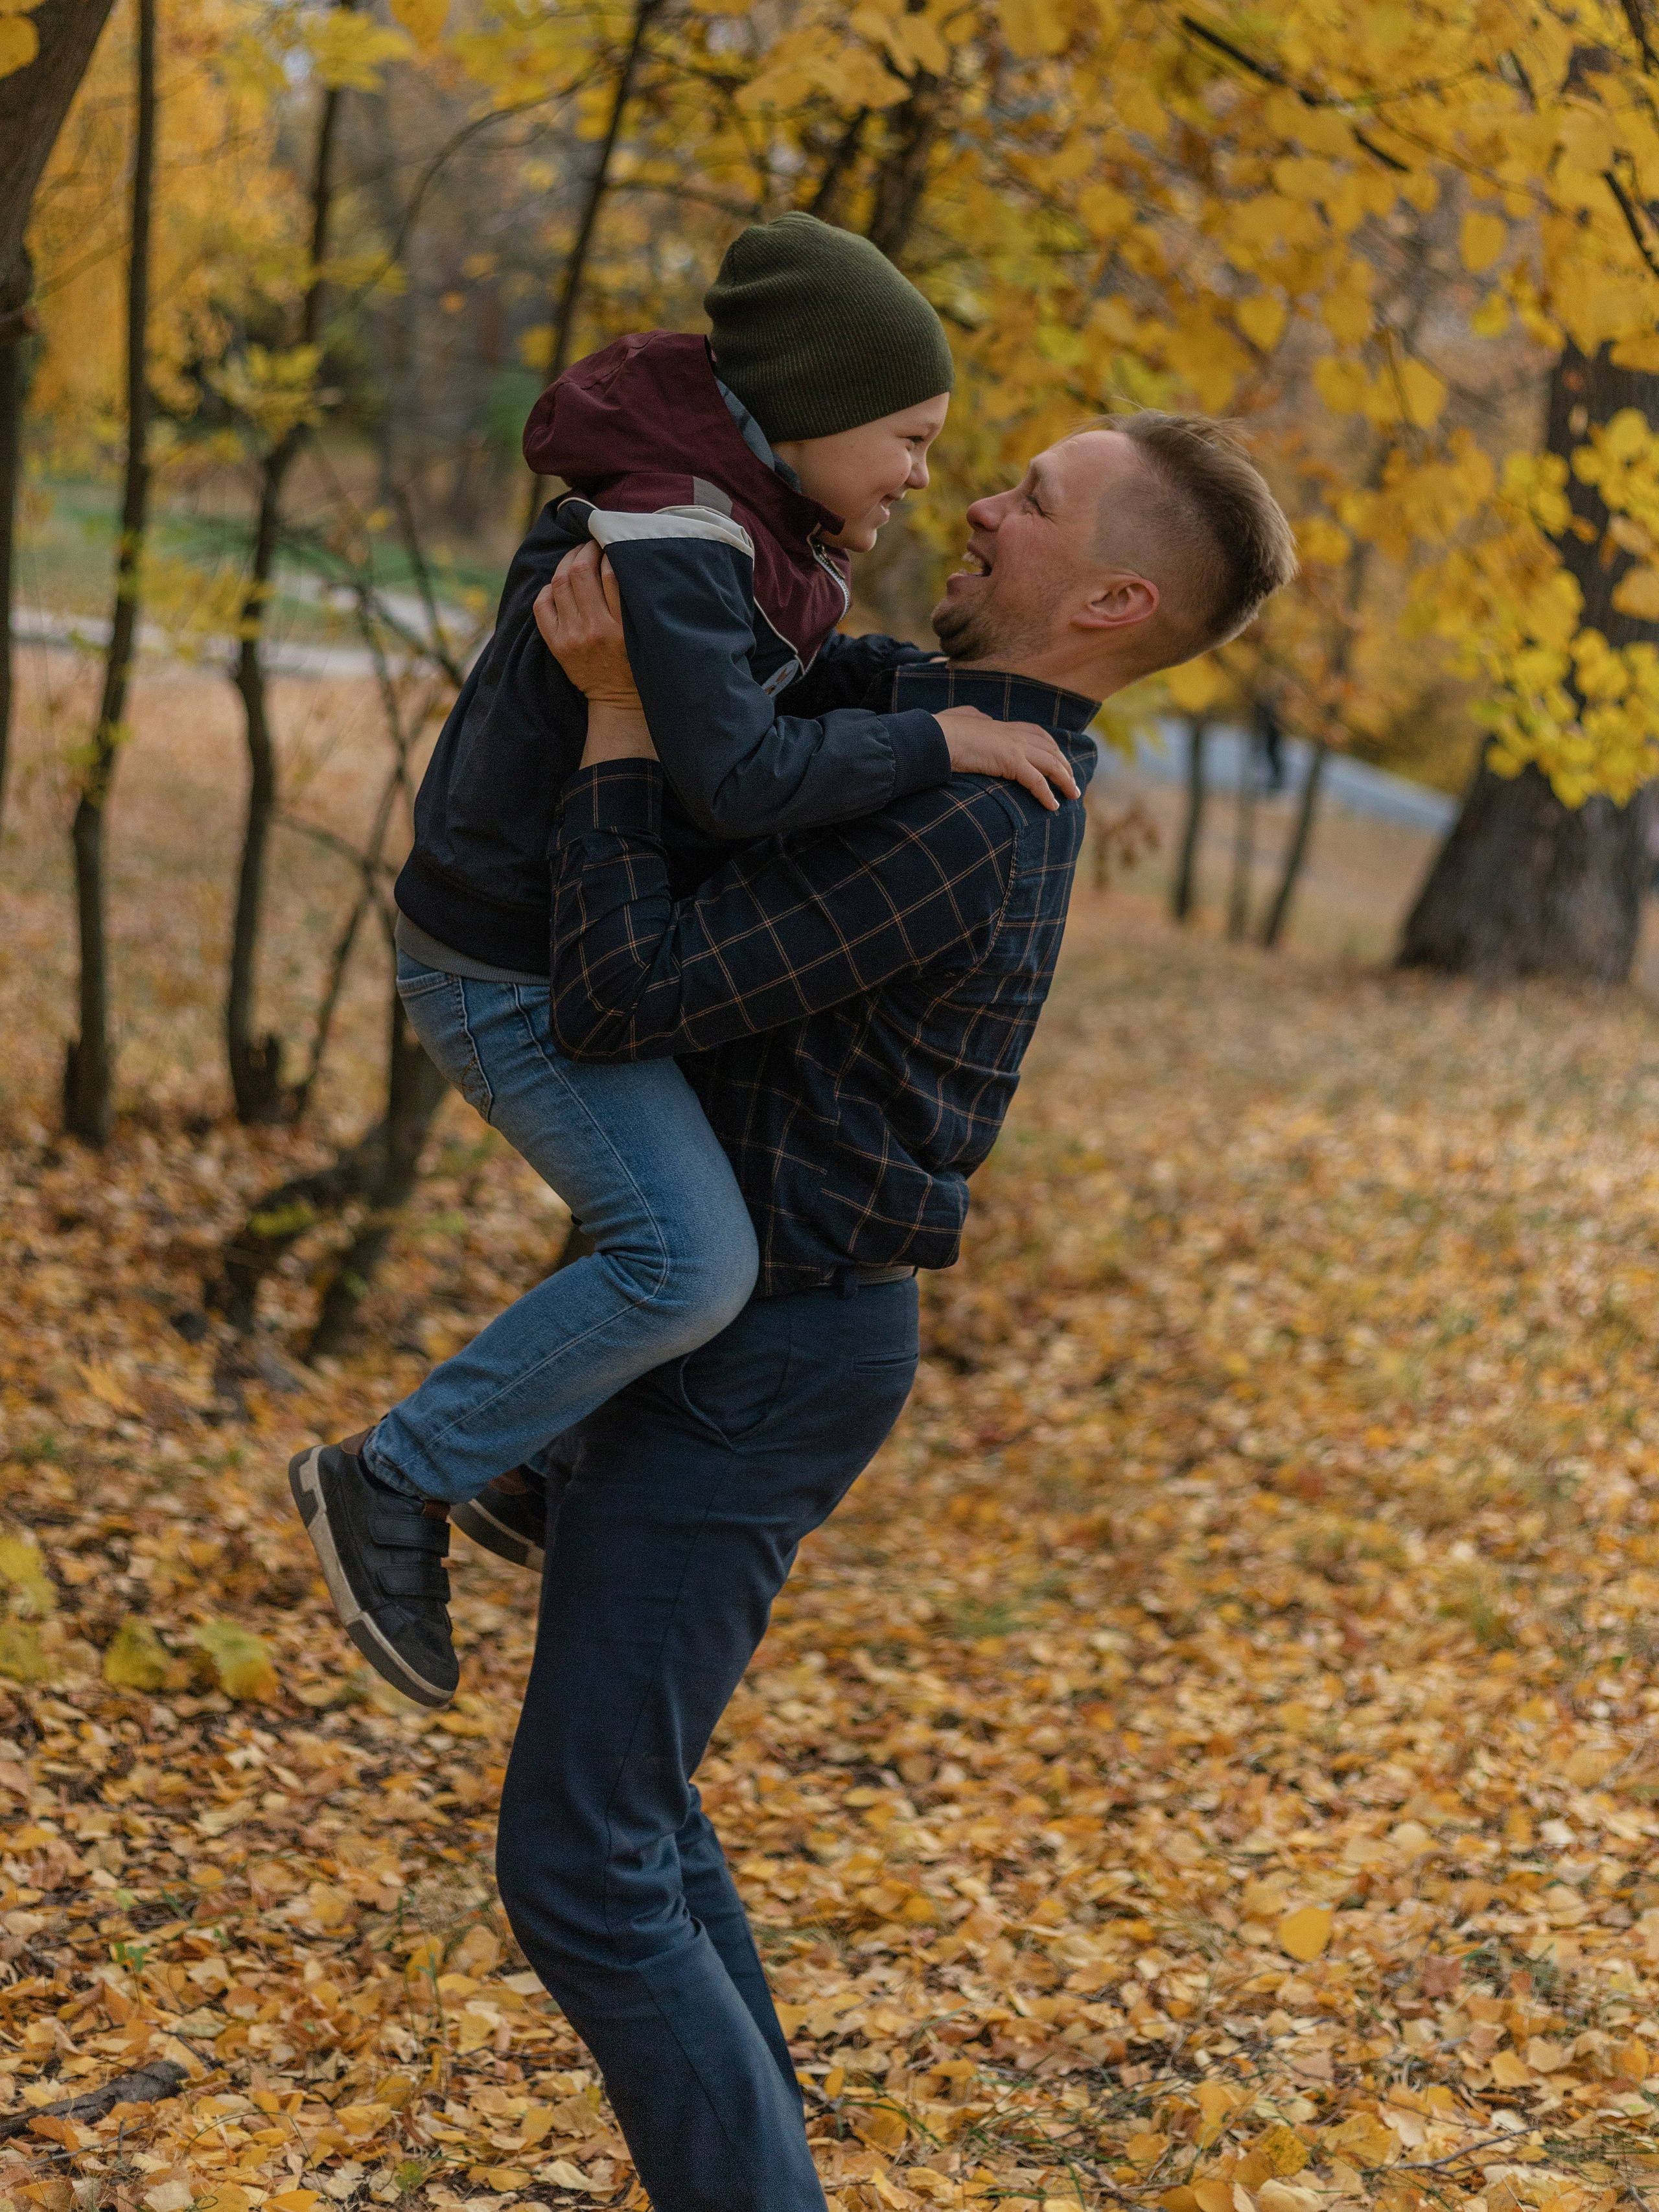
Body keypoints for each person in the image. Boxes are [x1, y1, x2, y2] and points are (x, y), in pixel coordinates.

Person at [461, 413, 1299, 2211]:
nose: (984, 503)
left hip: (771, 1358)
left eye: (1036, 502)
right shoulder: (915, 712)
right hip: (717, 1324)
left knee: (584, 1862)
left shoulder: (971, 814)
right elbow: (753, 661)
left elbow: (627, 991)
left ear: (1117, 594)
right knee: (640, 1818)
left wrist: (614, 719)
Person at [286, 215, 1078, 1711]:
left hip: (543, 930)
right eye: (907, 439)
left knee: (708, 1194)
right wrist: (940, 733)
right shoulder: (676, 531)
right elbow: (735, 779)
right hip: (508, 960)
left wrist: (915, 687)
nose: (922, 475)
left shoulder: (745, 518)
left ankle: (532, 1463)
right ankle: (394, 1475)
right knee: (689, 1257)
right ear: (817, 408)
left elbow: (762, 693)